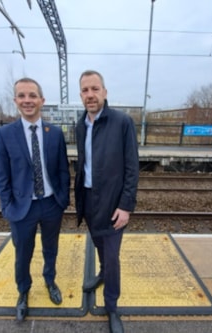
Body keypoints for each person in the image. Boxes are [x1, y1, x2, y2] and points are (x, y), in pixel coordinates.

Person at [0, 77, 70, 322]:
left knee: (51, 249)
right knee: (23, 253)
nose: (27, 100)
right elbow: (1, 174)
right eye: (22, 95)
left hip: (51, 205)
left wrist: (63, 199)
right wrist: (6, 206)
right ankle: (23, 291)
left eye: (32, 95)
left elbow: (62, 170)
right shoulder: (5, 134)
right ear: (16, 100)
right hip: (21, 208)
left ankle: (50, 281)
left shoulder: (55, 133)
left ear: (42, 100)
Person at [74, 70, 139, 333]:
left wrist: (126, 205)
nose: (90, 95)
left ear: (105, 92)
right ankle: (101, 274)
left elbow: (132, 167)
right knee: (99, 244)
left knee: (112, 257)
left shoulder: (122, 122)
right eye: (85, 90)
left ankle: (112, 307)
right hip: (89, 199)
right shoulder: (80, 125)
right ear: (81, 95)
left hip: (113, 203)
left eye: (95, 89)